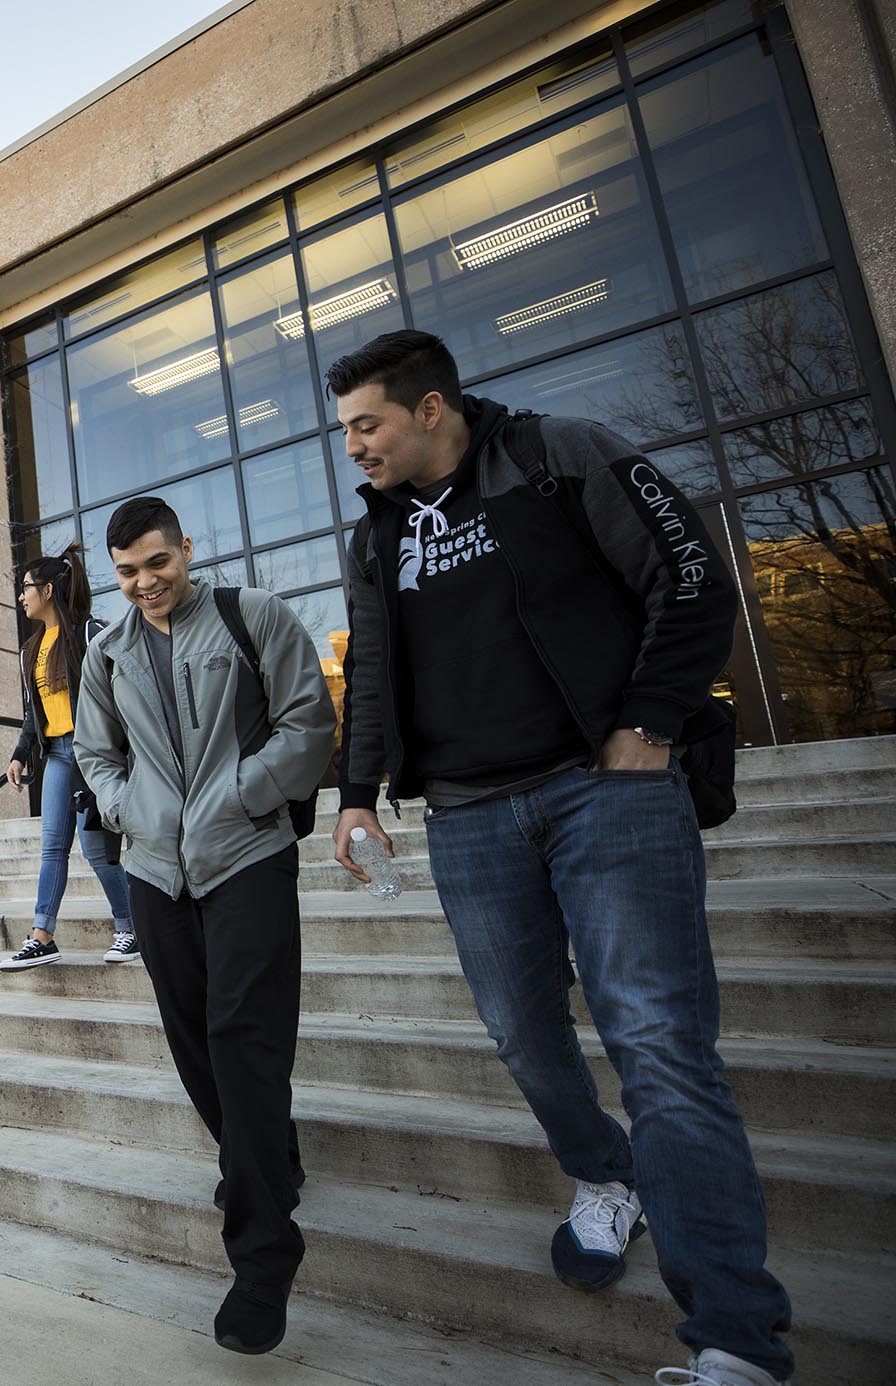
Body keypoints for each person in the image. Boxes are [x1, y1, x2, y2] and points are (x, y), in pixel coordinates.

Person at [326, 329, 791, 1386]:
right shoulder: (371, 539)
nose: (352, 447)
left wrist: (645, 723)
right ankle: (602, 1173)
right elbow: (366, 679)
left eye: (366, 424)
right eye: (346, 429)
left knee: (659, 1046)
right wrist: (355, 795)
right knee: (520, 1035)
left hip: (603, 791)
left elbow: (691, 580)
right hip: (468, 817)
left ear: (429, 408)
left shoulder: (559, 454)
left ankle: (732, 1340)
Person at [73, 497, 335, 1356]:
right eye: (128, 573)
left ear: (187, 548)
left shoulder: (251, 616)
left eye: (158, 562)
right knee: (193, 1038)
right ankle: (265, 1157)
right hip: (154, 868)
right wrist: (129, 812)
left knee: (243, 1037)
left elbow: (308, 723)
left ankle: (264, 1257)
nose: (145, 584)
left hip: (248, 856)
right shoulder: (105, 651)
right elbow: (95, 751)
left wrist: (243, 796)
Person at [0, 545, 136, 969]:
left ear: (49, 589)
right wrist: (21, 753)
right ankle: (43, 935)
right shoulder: (31, 649)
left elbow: (122, 699)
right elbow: (32, 713)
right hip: (57, 756)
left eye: (26, 588)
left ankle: (131, 928)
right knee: (52, 848)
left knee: (98, 851)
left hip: (93, 754)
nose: (22, 597)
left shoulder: (89, 634)